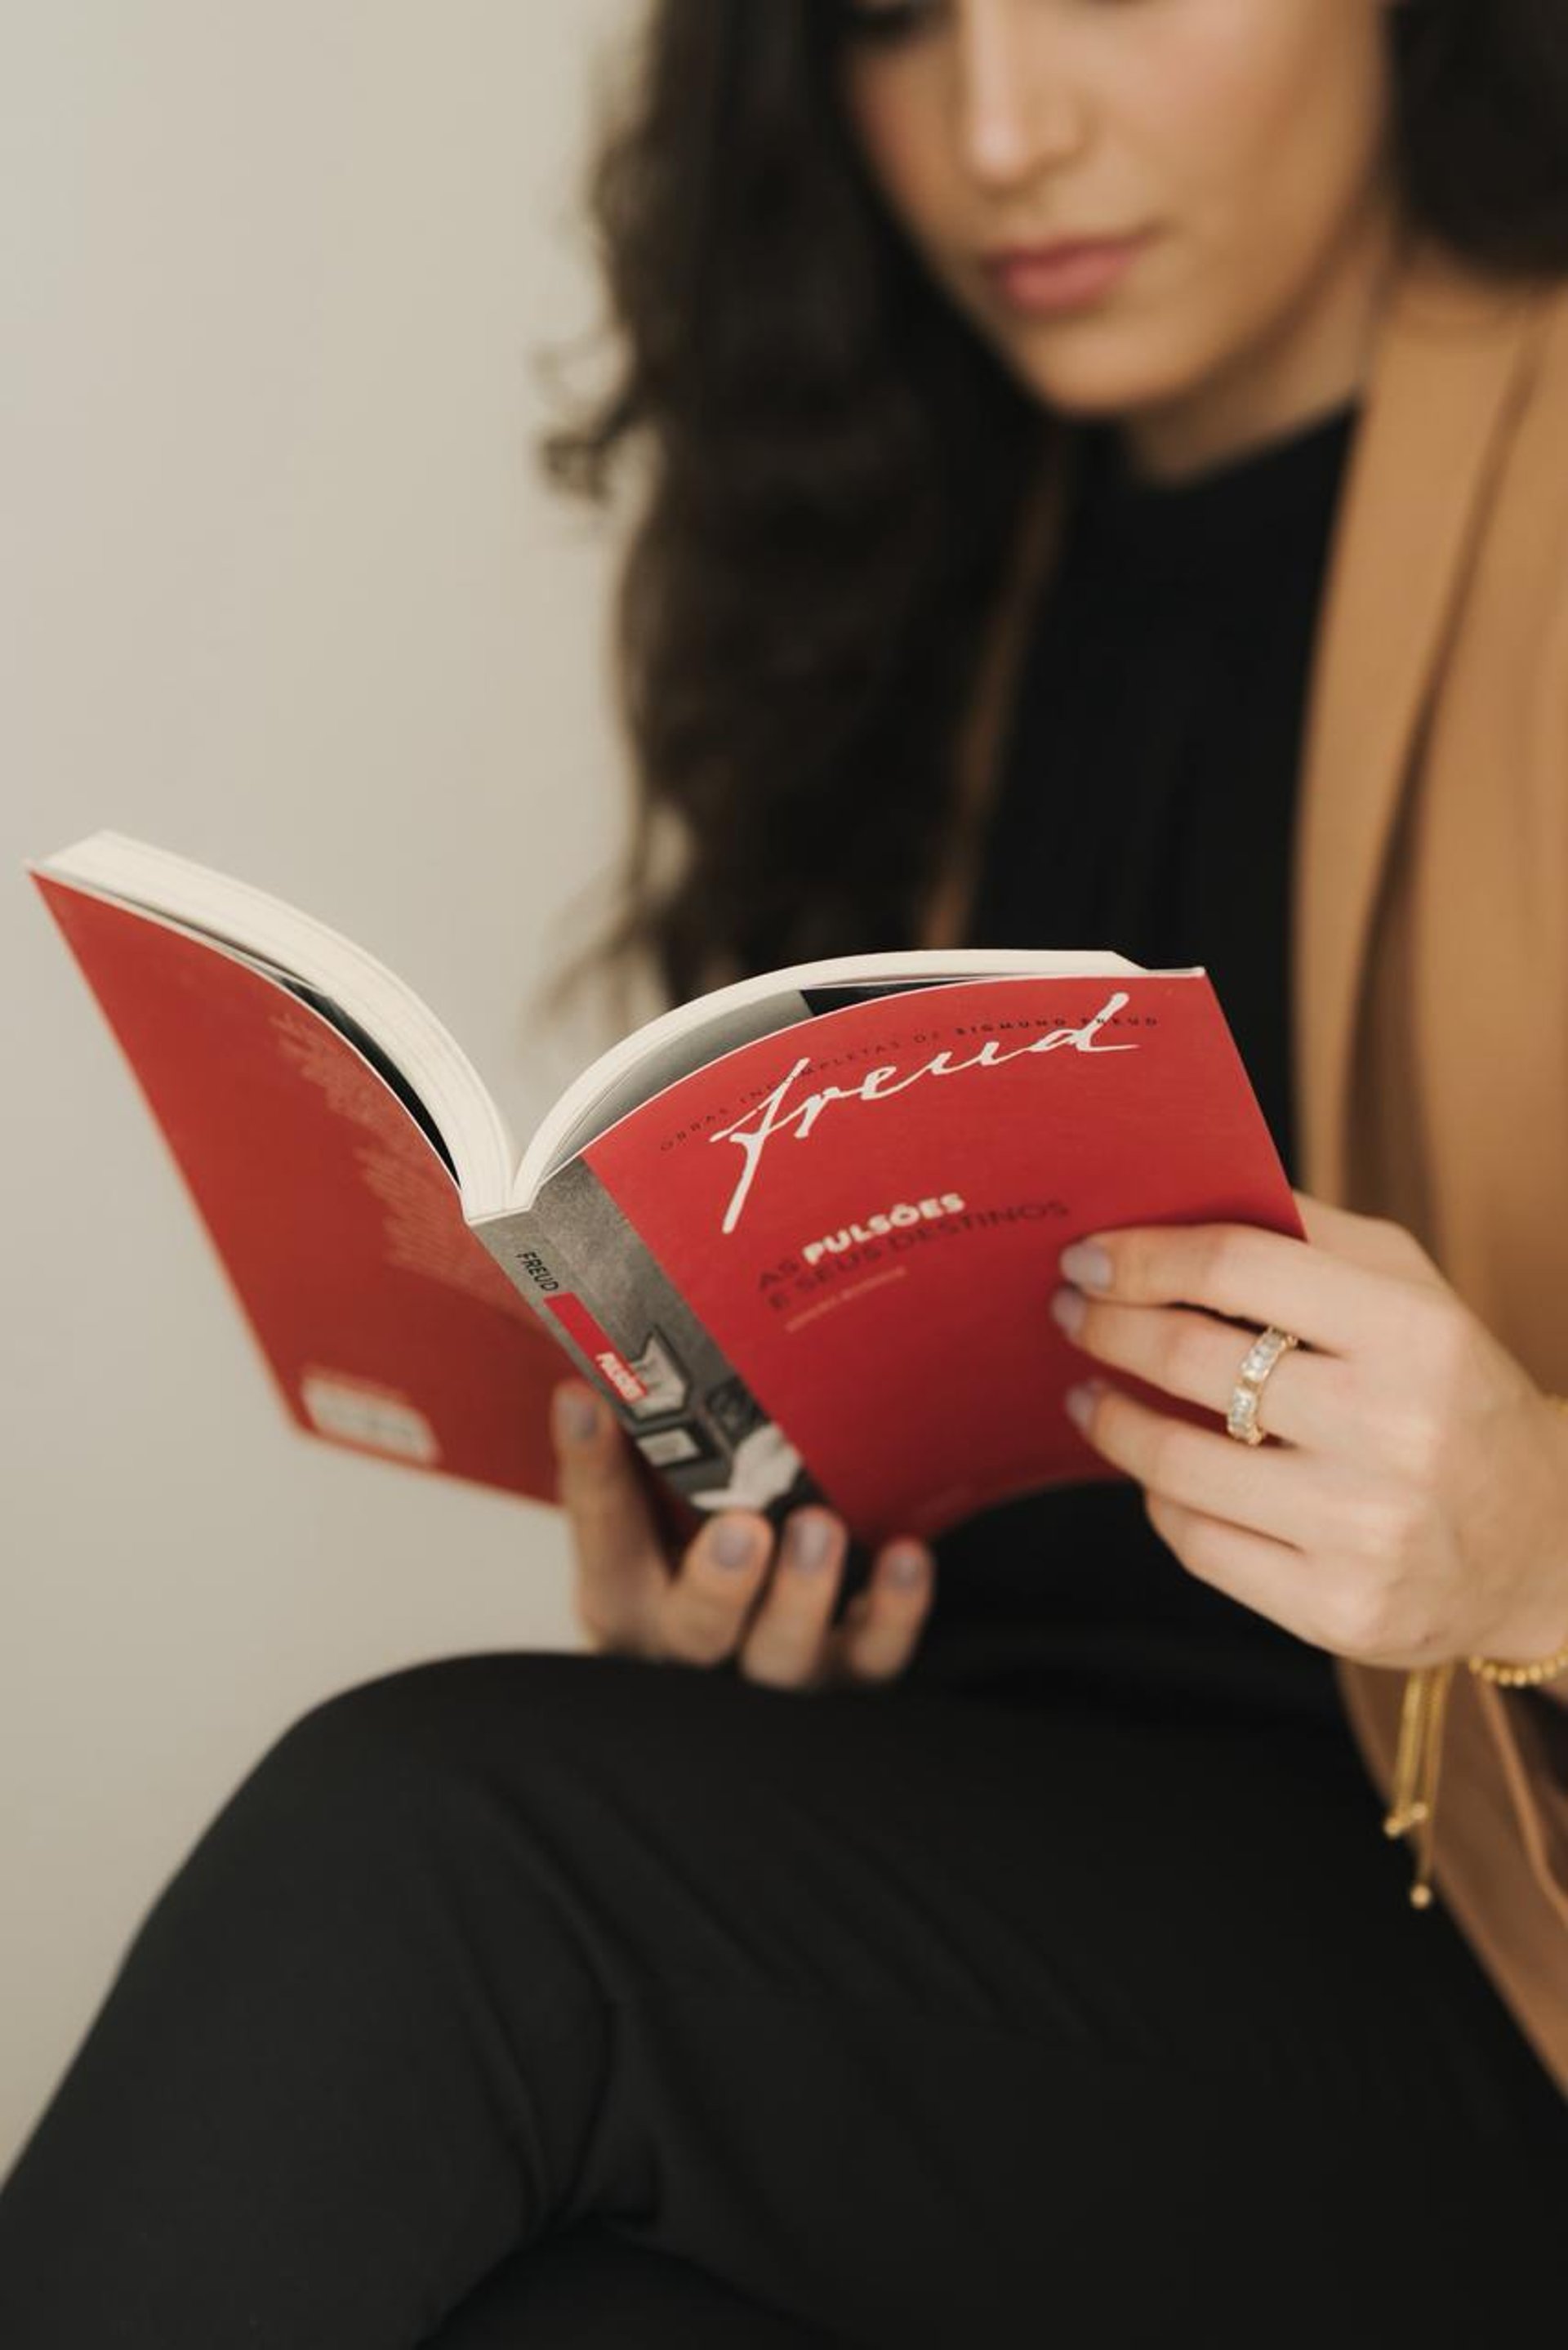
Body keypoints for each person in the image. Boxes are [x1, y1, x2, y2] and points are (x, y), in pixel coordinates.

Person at [3, 1, 1568, 2341]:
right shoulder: (922, 534)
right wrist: (753, 1601)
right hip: (988, 1923)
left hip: (1480, 1980)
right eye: (889, 23)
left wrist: (1535, 1539)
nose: (1005, 130)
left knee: (429, 1851)